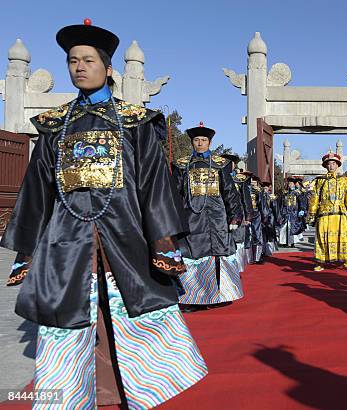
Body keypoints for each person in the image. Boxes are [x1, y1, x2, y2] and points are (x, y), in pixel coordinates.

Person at [1, 20, 207, 408]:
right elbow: (36, 192)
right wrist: (27, 249)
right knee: (69, 320)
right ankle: (72, 395)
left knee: (129, 314)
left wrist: (162, 243)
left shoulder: (137, 122)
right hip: (65, 242)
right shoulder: (53, 126)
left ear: (108, 69)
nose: (79, 66)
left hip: (125, 238)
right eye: (72, 61)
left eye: (88, 60)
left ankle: (136, 392)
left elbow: (154, 186)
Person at [172, 122, 243, 311]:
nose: (200, 143)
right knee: (191, 255)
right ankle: (193, 298)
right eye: (197, 140)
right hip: (191, 218)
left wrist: (234, 217)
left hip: (217, 217)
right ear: (192, 142)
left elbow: (230, 192)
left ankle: (220, 295)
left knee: (218, 255)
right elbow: (176, 195)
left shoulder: (221, 164)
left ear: (210, 142)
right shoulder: (181, 165)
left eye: (204, 140)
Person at [306, 153, 347, 272]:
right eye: (329, 164)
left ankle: (346, 261)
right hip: (325, 213)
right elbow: (315, 198)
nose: (331, 166)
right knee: (322, 237)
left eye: (334, 163)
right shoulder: (319, 181)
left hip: (340, 214)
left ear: (338, 165)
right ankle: (320, 262)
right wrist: (312, 213)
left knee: (344, 237)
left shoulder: (344, 180)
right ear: (325, 166)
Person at [222, 156, 253, 273]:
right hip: (221, 215)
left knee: (238, 241)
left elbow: (246, 199)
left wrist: (248, 216)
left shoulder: (240, 181)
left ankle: (238, 268)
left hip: (238, 215)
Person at [277, 176, 306, 247]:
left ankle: (292, 243)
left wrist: (302, 210)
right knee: (284, 228)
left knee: (292, 228)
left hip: (294, 213)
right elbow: (281, 203)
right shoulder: (285, 193)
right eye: (289, 184)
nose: (290, 185)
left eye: (292, 184)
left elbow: (301, 202)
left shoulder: (297, 193)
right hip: (285, 212)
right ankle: (284, 242)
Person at [249, 176, 265, 263]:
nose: (253, 183)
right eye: (252, 182)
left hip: (256, 214)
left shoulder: (259, 192)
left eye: (255, 182)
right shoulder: (245, 189)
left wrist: (264, 215)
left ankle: (257, 257)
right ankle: (249, 257)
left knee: (257, 234)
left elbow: (262, 204)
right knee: (248, 235)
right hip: (247, 213)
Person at [261, 181, 279, 257]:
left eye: (266, 188)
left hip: (270, 217)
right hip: (262, 217)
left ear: (268, 188)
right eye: (264, 188)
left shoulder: (272, 197)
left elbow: (275, 209)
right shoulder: (260, 196)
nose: (265, 189)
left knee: (270, 235)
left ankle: (269, 251)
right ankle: (263, 250)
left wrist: (277, 218)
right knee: (262, 234)